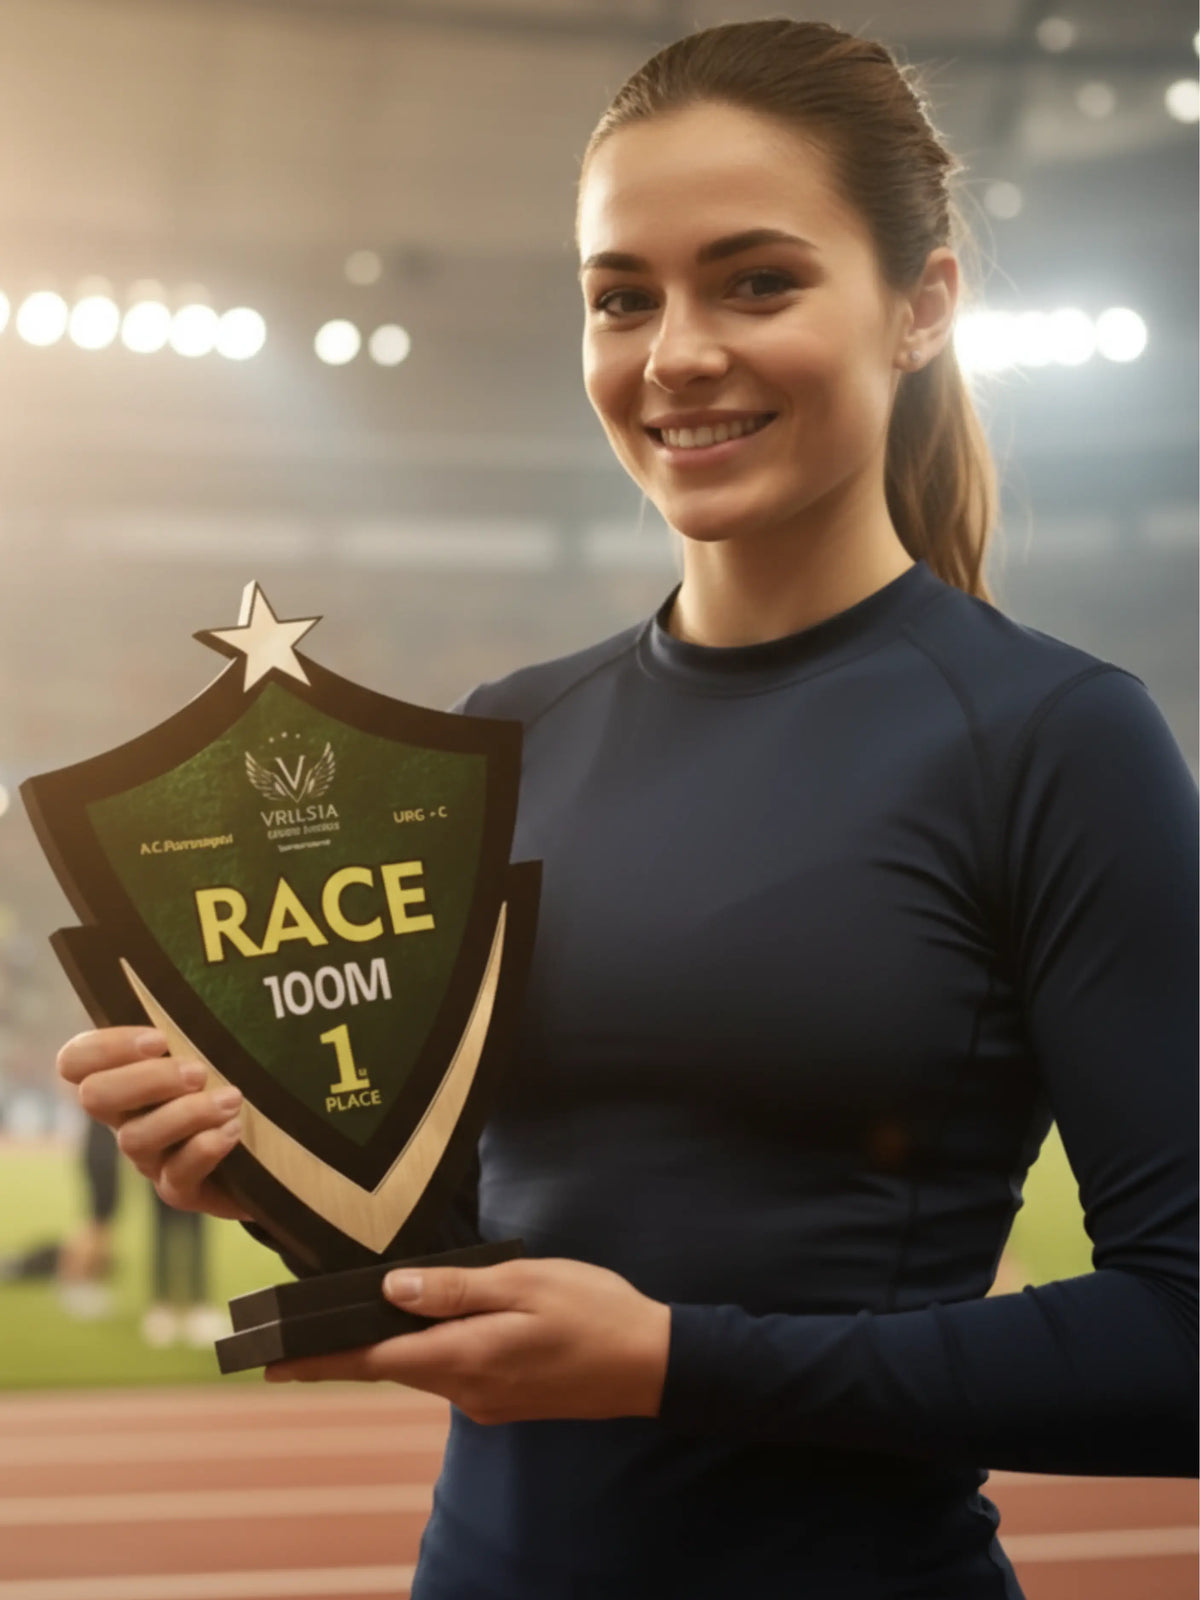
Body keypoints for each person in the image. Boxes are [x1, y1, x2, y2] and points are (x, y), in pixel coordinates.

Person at [54, 19, 1197, 1599]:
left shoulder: (1054, 738)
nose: (674, 353)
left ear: (922, 304)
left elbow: (1183, 1337)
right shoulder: (502, 736)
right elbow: (464, 1259)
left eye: (757, 281)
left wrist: (673, 1360)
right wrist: (261, 1176)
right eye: (621, 297)